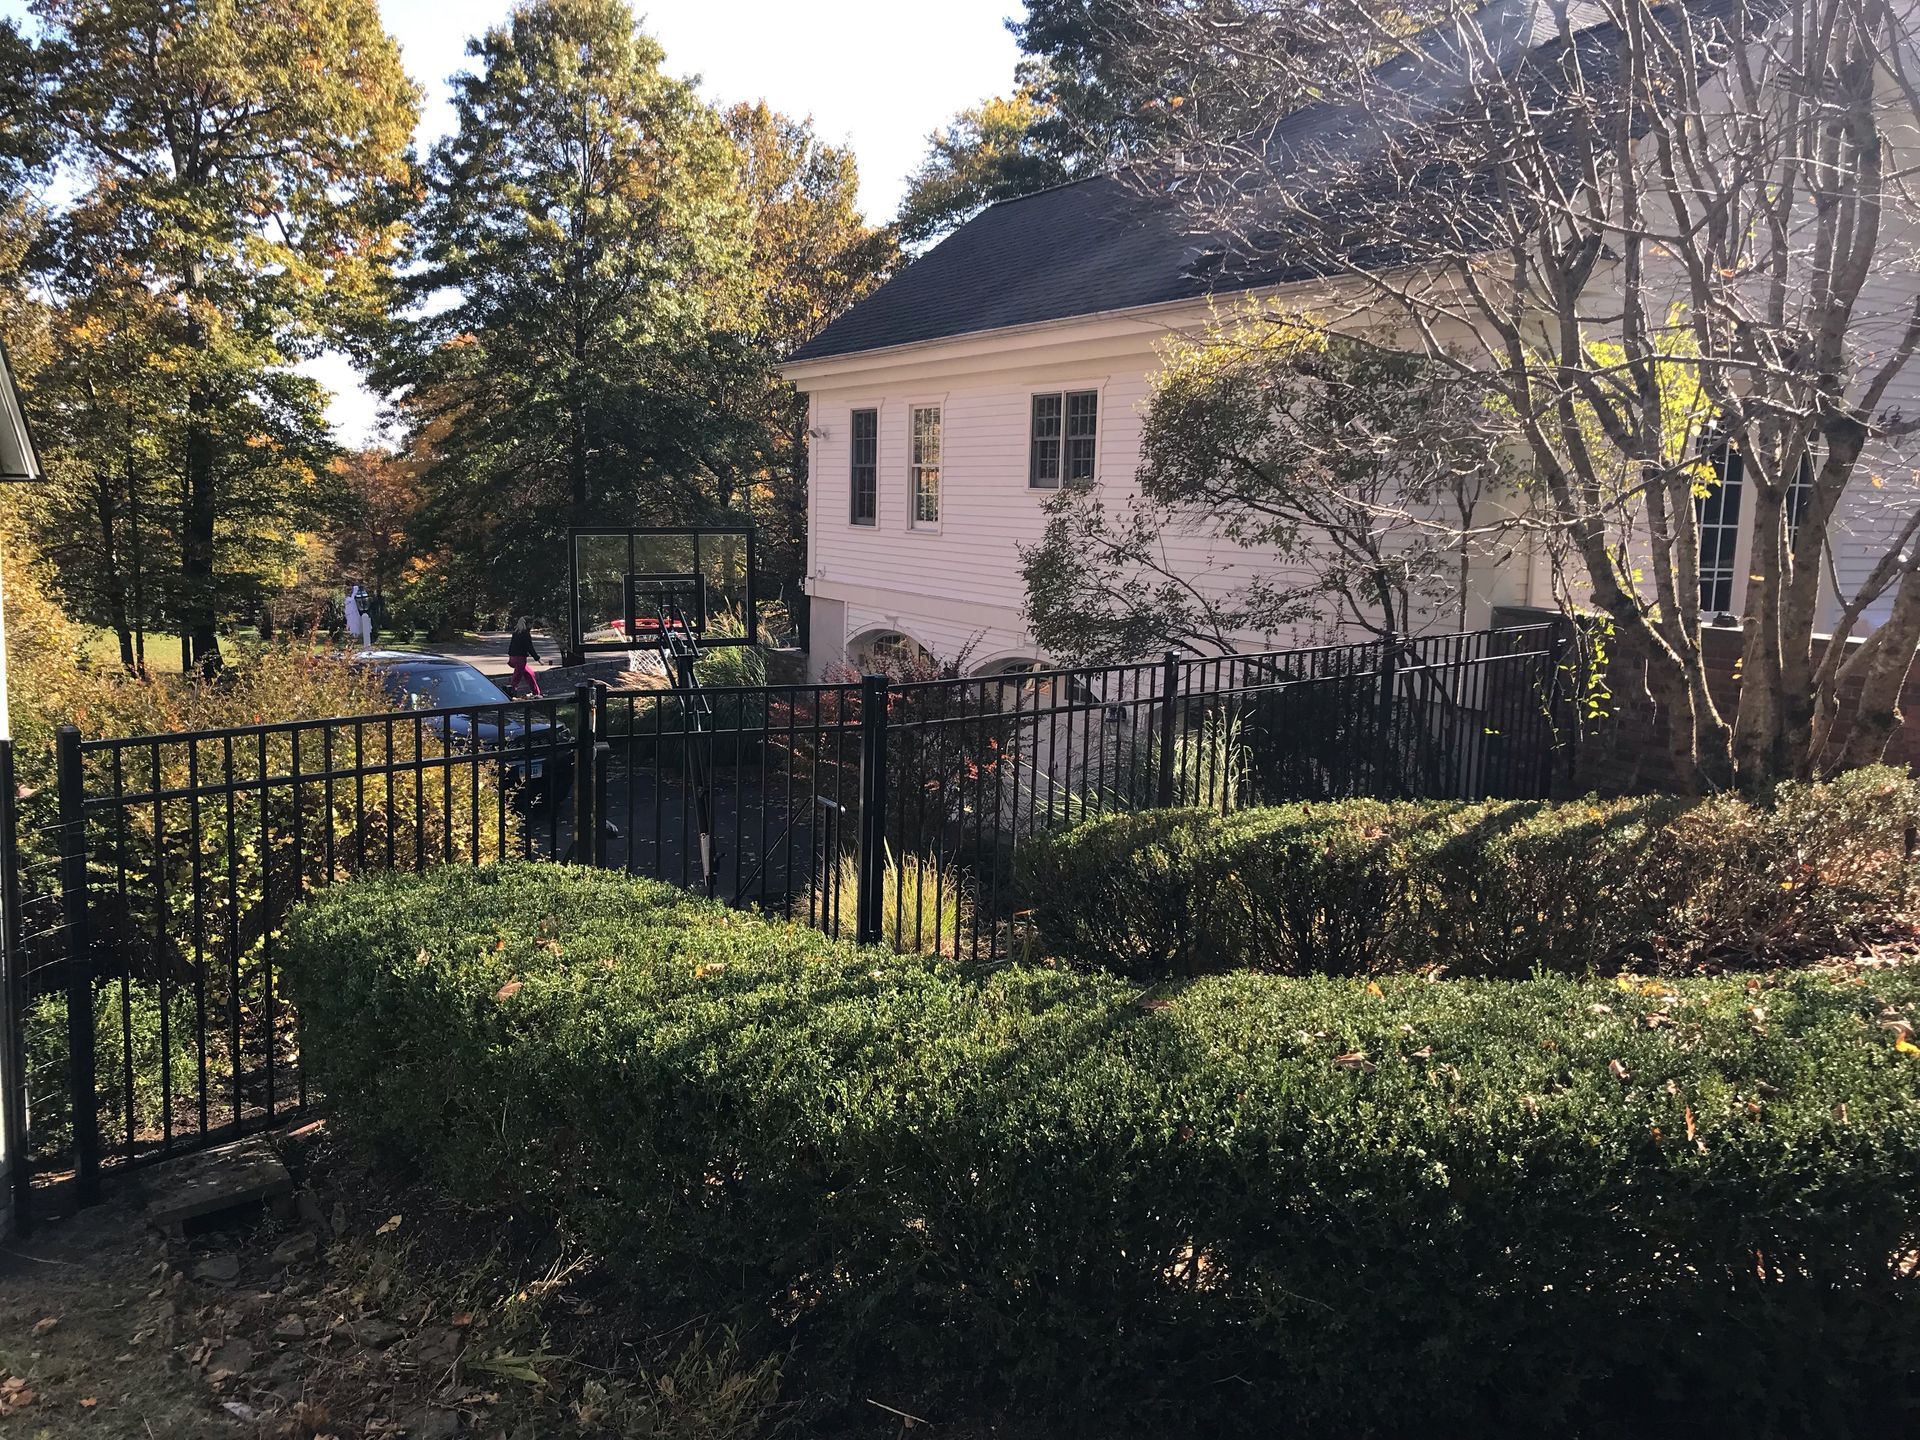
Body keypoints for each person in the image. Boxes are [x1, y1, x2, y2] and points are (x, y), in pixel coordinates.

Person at [506, 618, 543, 697]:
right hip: (520, 659)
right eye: (531, 624)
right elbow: (530, 648)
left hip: (513, 658)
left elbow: (511, 646)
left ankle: (536, 693)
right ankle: (510, 694)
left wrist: (510, 656)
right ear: (528, 624)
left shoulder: (516, 633)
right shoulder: (525, 634)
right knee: (516, 679)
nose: (532, 626)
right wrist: (538, 659)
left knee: (530, 674)